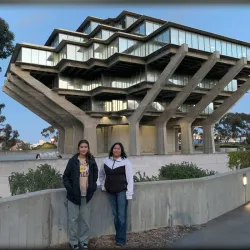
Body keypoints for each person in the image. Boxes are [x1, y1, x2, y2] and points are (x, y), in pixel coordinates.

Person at [63, 139, 98, 250]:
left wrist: (92, 187)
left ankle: (83, 241)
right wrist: (70, 189)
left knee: (85, 221)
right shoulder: (73, 161)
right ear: (78, 148)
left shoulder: (92, 160)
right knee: (73, 220)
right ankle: (73, 242)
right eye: (81, 147)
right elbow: (65, 177)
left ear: (88, 148)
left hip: (86, 196)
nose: (83, 149)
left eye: (85, 147)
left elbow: (95, 176)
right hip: (73, 196)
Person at [99, 142, 134, 247]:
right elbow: (101, 174)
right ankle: (118, 235)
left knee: (121, 216)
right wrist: (103, 186)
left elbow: (130, 178)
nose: (116, 150)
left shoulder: (126, 162)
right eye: (115, 148)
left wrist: (129, 193)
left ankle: (121, 239)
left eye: (118, 148)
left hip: (122, 192)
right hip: (110, 192)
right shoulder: (106, 161)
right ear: (112, 150)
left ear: (121, 150)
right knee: (115, 216)